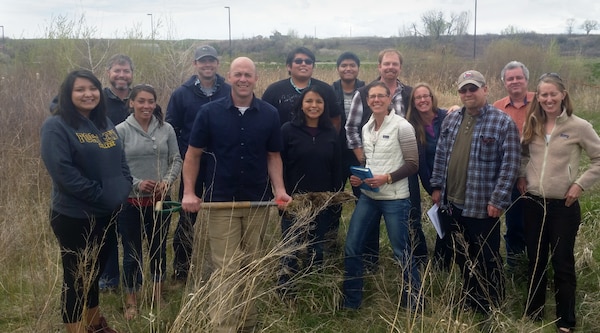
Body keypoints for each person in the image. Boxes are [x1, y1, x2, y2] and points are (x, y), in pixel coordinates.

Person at [181, 57, 292, 332]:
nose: (243, 79)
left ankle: (247, 323)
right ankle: (224, 325)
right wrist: (189, 193)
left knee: (251, 266)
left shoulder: (269, 114)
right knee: (227, 267)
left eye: (248, 75)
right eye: (238, 74)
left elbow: (273, 156)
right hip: (220, 203)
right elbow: (193, 156)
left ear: (256, 79)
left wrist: (279, 190)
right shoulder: (209, 113)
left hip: (257, 201)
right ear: (228, 77)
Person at [41, 69, 132, 333]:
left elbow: (121, 161)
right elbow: (63, 173)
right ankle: (75, 329)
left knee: (94, 274)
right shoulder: (56, 126)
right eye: (80, 89)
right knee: (76, 278)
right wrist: (102, 196)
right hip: (73, 216)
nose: (87, 94)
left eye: (92, 88)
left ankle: (94, 323)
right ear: (68, 94)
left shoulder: (104, 122)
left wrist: (124, 186)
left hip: (107, 213)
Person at [430, 70, 520, 314]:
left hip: (482, 204)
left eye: (473, 88)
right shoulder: (451, 119)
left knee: (486, 256)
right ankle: (470, 295)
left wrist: (498, 199)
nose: (468, 93)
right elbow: (441, 154)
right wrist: (437, 186)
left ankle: (491, 301)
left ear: (485, 89)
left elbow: (510, 164)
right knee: (462, 253)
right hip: (452, 201)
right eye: (463, 90)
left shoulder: (502, 122)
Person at [517, 73, 600, 333]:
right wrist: (521, 175)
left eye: (553, 94)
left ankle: (566, 319)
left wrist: (579, 184)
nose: (549, 99)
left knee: (562, 261)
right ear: (537, 97)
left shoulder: (579, 127)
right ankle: (534, 312)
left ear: (563, 94)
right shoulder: (532, 123)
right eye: (544, 95)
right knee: (536, 259)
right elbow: (522, 154)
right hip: (532, 203)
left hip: (562, 207)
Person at [344, 48, 425, 269]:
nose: (390, 67)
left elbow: (426, 111)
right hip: (373, 169)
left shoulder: (408, 92)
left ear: (400, 67)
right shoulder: (364, 93)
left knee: (411, 215)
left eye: (394, 64)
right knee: (370, 220)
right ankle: (371, 262)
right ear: (379, 66)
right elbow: (351, 127)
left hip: (404, 165)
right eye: (386, 64)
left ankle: (417, 262)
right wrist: (365, 160)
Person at [342, 81, 420, 310]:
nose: (376, 100)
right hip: (369, 196)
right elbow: (369, 162)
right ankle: (352, 301)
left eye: (381, 96)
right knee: (352, 246)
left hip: (395, 198)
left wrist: (386, 178)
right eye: (372, 96)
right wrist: (361, 177)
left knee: (401, 251)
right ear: (367, 101)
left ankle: (414, 301)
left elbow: (413, 164)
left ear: (389, 99)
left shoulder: (402, 126)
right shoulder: (366, 128)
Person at [115, 84, 182, 319]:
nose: (146, 106)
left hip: (159, 202)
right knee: (132, 253)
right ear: (131, 103)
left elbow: (176, 159)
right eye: (141, 101)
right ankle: (131, 300)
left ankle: (157, 294)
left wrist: (167, 181)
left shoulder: (166, 129)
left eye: (150, 101)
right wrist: (137, 183)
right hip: (131, 203)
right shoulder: (121, 130)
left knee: (158, 250)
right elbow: (115, 165)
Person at [166, 45, 231, 282]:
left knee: (222, 215)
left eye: (211, 61)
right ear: (195, 65)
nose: (207, 65)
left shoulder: (229, 90)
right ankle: (181, 268)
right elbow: (171, 128)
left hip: (222, 165)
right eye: (202, 61)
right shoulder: (181, 94)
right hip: (192, 164)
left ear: (217, 63)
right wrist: (182, 156)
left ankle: (222, 267)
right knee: (187, 216)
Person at [278, 85, 343, 294]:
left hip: (322, 199)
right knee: (292, 243)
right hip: (294, 199)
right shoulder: (287, 130)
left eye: (319, 102)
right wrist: (282, 193)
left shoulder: (330, 132)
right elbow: (279, 163)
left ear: (325, 106)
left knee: (317, 243)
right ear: (301, 104)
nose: (314, 106)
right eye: (309, 101)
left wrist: (334, 196)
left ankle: (314, 283)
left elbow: (336, 165)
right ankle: (286, 286)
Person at [493, 61, 535, 267]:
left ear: (526, 80)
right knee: (514, 221)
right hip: (509, 174)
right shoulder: (497, 107)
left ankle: (538, 263)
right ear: (504, 83)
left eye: (519, 77)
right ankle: (516, 265)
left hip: (538, 172)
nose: (515, 81)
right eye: (510, 79)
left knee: (538, 222)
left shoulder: (540, 101)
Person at [404, 82, 450, 269]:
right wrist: (434, 188)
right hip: (431, 176)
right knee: (441, 214)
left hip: (453, 175)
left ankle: (449, 258)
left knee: (452, 216)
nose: (422, 100)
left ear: (432, 98)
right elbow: (418, 163)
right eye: (418, 98)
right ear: (413, 103)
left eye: (426, 96)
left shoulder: (447, 117)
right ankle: (438, 262)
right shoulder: (410, 126)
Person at [262, 46, 342, 132]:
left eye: (308, 62)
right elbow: (263, 120)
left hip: (318, 143)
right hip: (282, 143)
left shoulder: (325, 89)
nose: (303, 64)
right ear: (289, 66)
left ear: (312, 66)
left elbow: (335, 119)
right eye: (298, 61)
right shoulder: (274, 90)